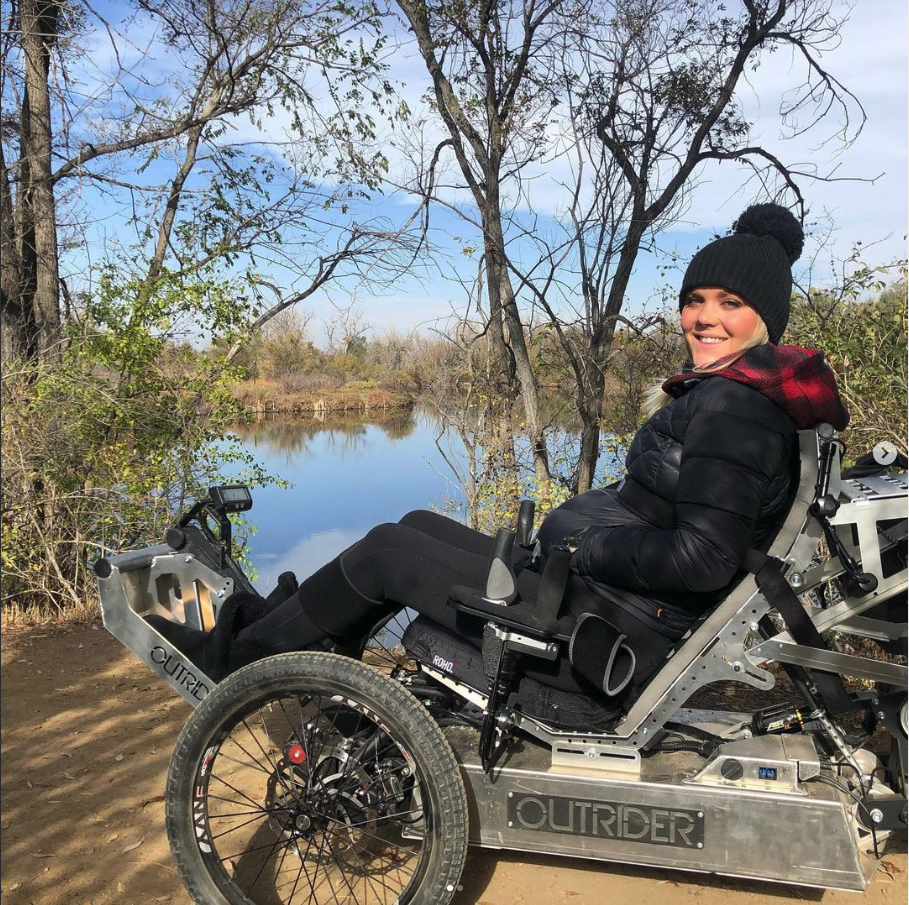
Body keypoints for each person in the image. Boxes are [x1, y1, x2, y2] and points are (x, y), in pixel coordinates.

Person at [151, 202, 848, 706]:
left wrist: (581, 549)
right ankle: (310, 652)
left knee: (389, 551)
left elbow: (701, 559)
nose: (703, 317)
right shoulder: (735, 392)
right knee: (420, 522)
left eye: (727, 303)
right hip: (603, 601)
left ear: (766, 317)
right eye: (694, 299)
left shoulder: (732, 408)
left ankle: (244, 664)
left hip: (607, 630)